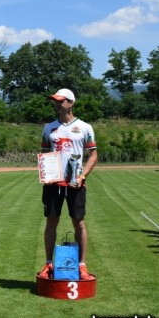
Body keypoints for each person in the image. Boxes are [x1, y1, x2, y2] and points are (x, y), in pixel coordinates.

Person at [38, 89, 97, 281]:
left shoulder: (85, 127)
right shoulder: (49, 128)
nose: (57, 104)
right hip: (53, 184)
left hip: (75, 184)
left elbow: (93, 155)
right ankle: (48, 263)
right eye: (55, 101)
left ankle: (81, 266)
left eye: (60, 101)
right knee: (51, 221)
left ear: (71, 103)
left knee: (78, 222)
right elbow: (45, 153)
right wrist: (46, 173)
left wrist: (82, 176)